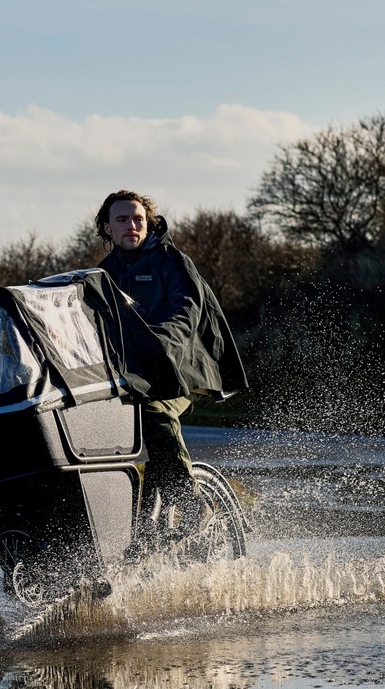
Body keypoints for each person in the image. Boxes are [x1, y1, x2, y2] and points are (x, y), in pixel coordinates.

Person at [93, 190, 247, 559]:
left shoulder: (171, 261)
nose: (131, 226)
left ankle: (194, 506)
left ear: (148, 223)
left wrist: (160, 342)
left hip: (185, 369)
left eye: (138, 219)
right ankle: (140, 535)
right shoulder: (104, 273)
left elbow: (187, 310)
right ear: (106, 228)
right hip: (136, 375)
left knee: (154, 414)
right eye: (122, 220)